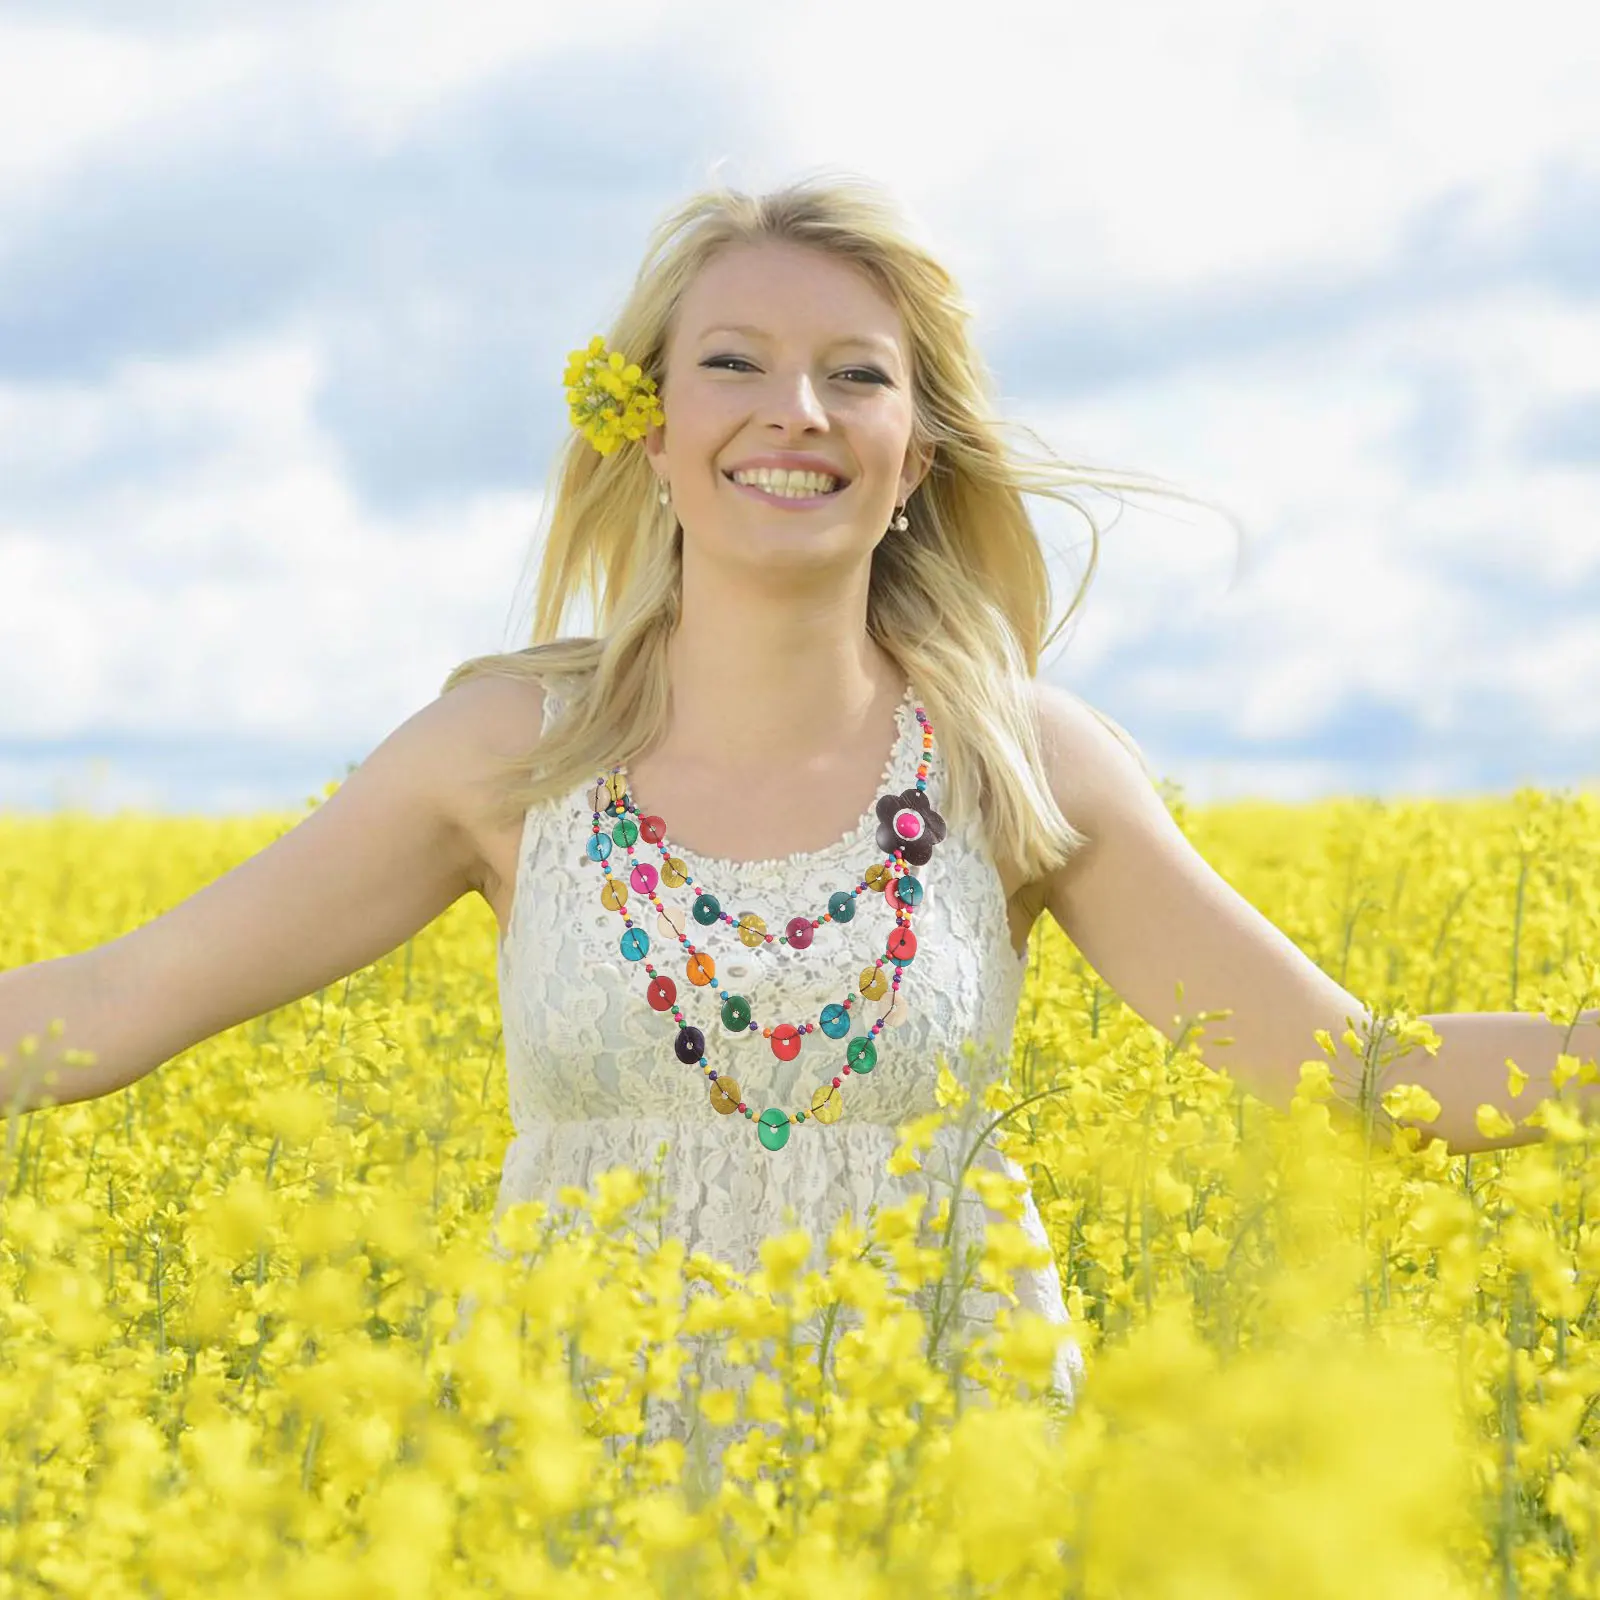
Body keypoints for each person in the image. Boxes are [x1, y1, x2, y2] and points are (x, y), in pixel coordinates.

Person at [7, 171, 1575, 1498]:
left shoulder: (1024, 767)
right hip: (580, 1463)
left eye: (860, 374)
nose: (797, 413)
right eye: (736, 363)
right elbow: (117, 1005)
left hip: (940, 1464)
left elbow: (1362, 1075)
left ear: (918, 453)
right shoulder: (504, 756)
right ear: (648, 426)